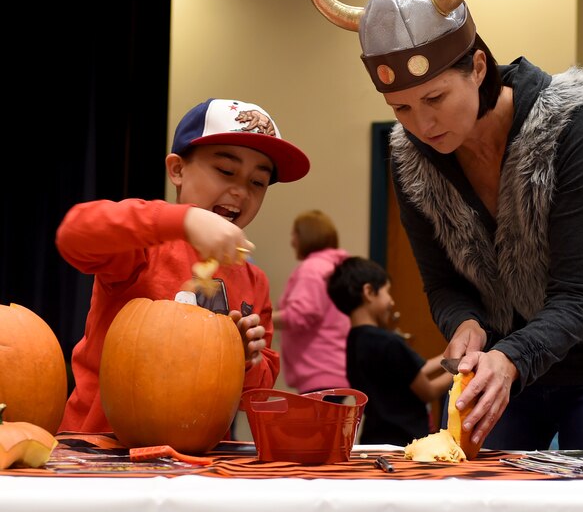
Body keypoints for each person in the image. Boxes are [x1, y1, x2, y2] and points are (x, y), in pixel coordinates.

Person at [307, 0, 583, 452]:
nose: (422, 124)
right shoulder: (410, 157)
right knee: (470, 487)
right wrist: (467, 324)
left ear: (477, 68)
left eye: (434, 98)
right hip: (507, 351)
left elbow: (578, 294)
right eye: (401, 108)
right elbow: (442, 285)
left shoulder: (570, 126)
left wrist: (511, 357)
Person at [56, 98, 310, 432]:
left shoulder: (254, 281)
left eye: (257, 182)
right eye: (226, 171)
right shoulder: (144, 248)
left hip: (196, 459)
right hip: (101, 452)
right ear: (177, 170)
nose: (240, 191)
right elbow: (75, 233)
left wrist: (247, 360)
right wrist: (185, 219)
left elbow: (256, 397)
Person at [327, 256, 454, 446]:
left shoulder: (355, 341)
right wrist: (459, 370)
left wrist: (450, 355)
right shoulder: (387, 342)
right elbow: (428, 392)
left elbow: (413, 369)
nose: (392, 301)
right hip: (405, 443)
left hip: (374, 441)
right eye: (387, 292)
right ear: (369, 292)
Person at [272, 209, 350, 397]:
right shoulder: (335, 267)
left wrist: (262, 317)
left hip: (319, 371)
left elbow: (301, 314)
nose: (292, 241)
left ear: (306, 236)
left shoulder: (312, 269)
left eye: (295, 233)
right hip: (335, 369)